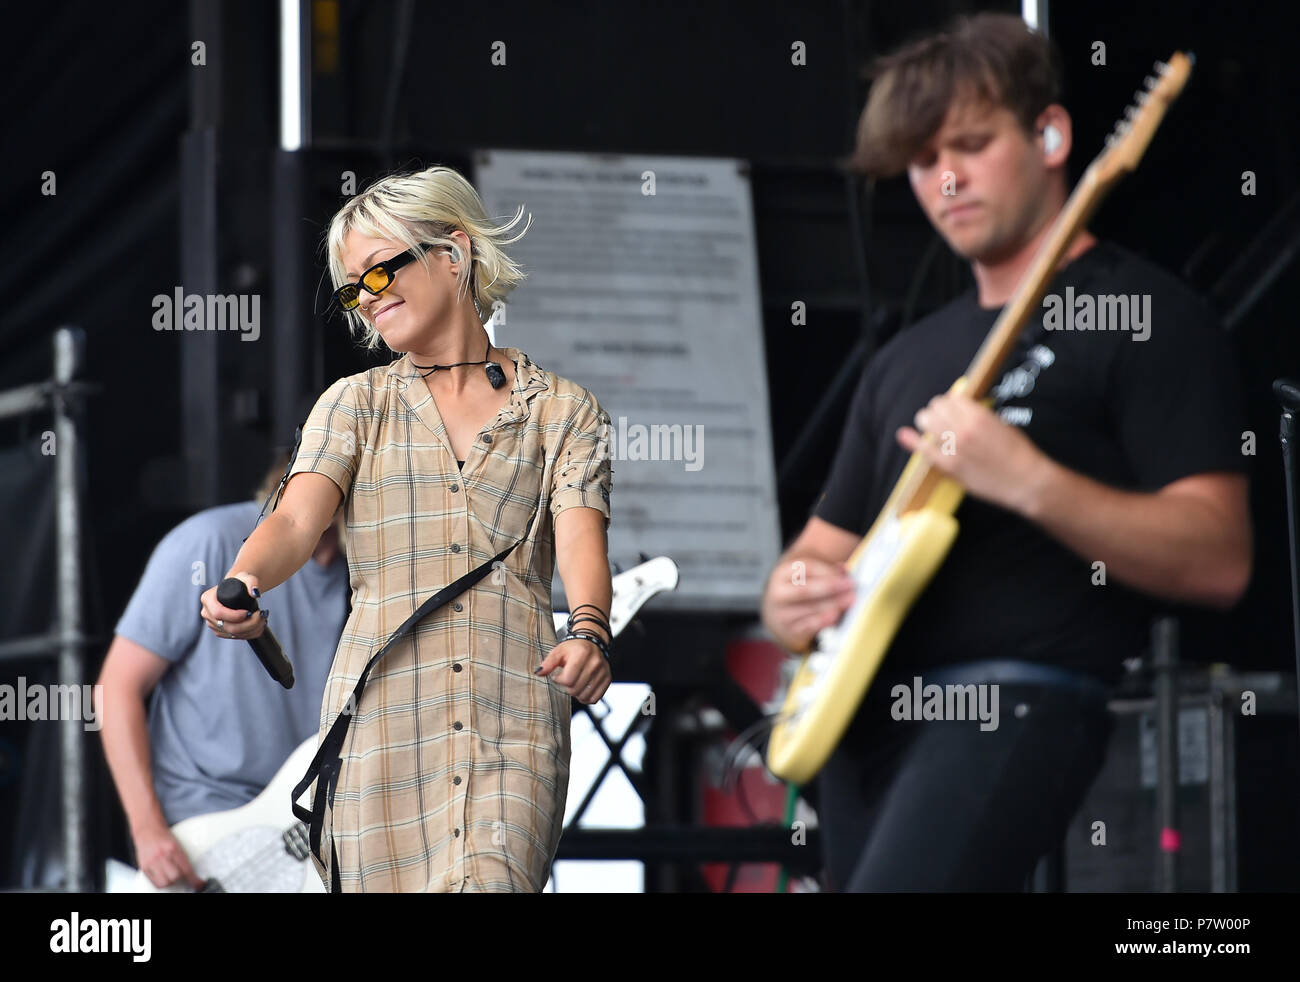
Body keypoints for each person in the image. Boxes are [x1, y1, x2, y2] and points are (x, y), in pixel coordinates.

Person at [759, 13, 1253, 892]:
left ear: (1051, 136)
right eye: (922, 161)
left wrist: (1027, 480)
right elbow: (818, 553)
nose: (946, 179)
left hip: (1015, 700)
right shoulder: (902, 361)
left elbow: (1219, 557)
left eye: (972, 145)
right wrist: (790, 596)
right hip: (861, 718)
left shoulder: (1145, 316)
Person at [199, 165, 615, 893]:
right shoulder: (355, 404)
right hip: (379, 727)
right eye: (352, 288)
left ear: (452, 254)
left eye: (378, 272)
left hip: (511, 723)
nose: (366, 297)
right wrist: (245, 578)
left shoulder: (563, 412)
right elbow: (295, 516)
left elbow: (581, 537)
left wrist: (589, 631)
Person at [97, 454, 349, 889]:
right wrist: (147, 829)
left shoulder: (368, 577)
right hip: (200, 834)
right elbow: (116, 687)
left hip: (300, 828)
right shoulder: (208, 541)